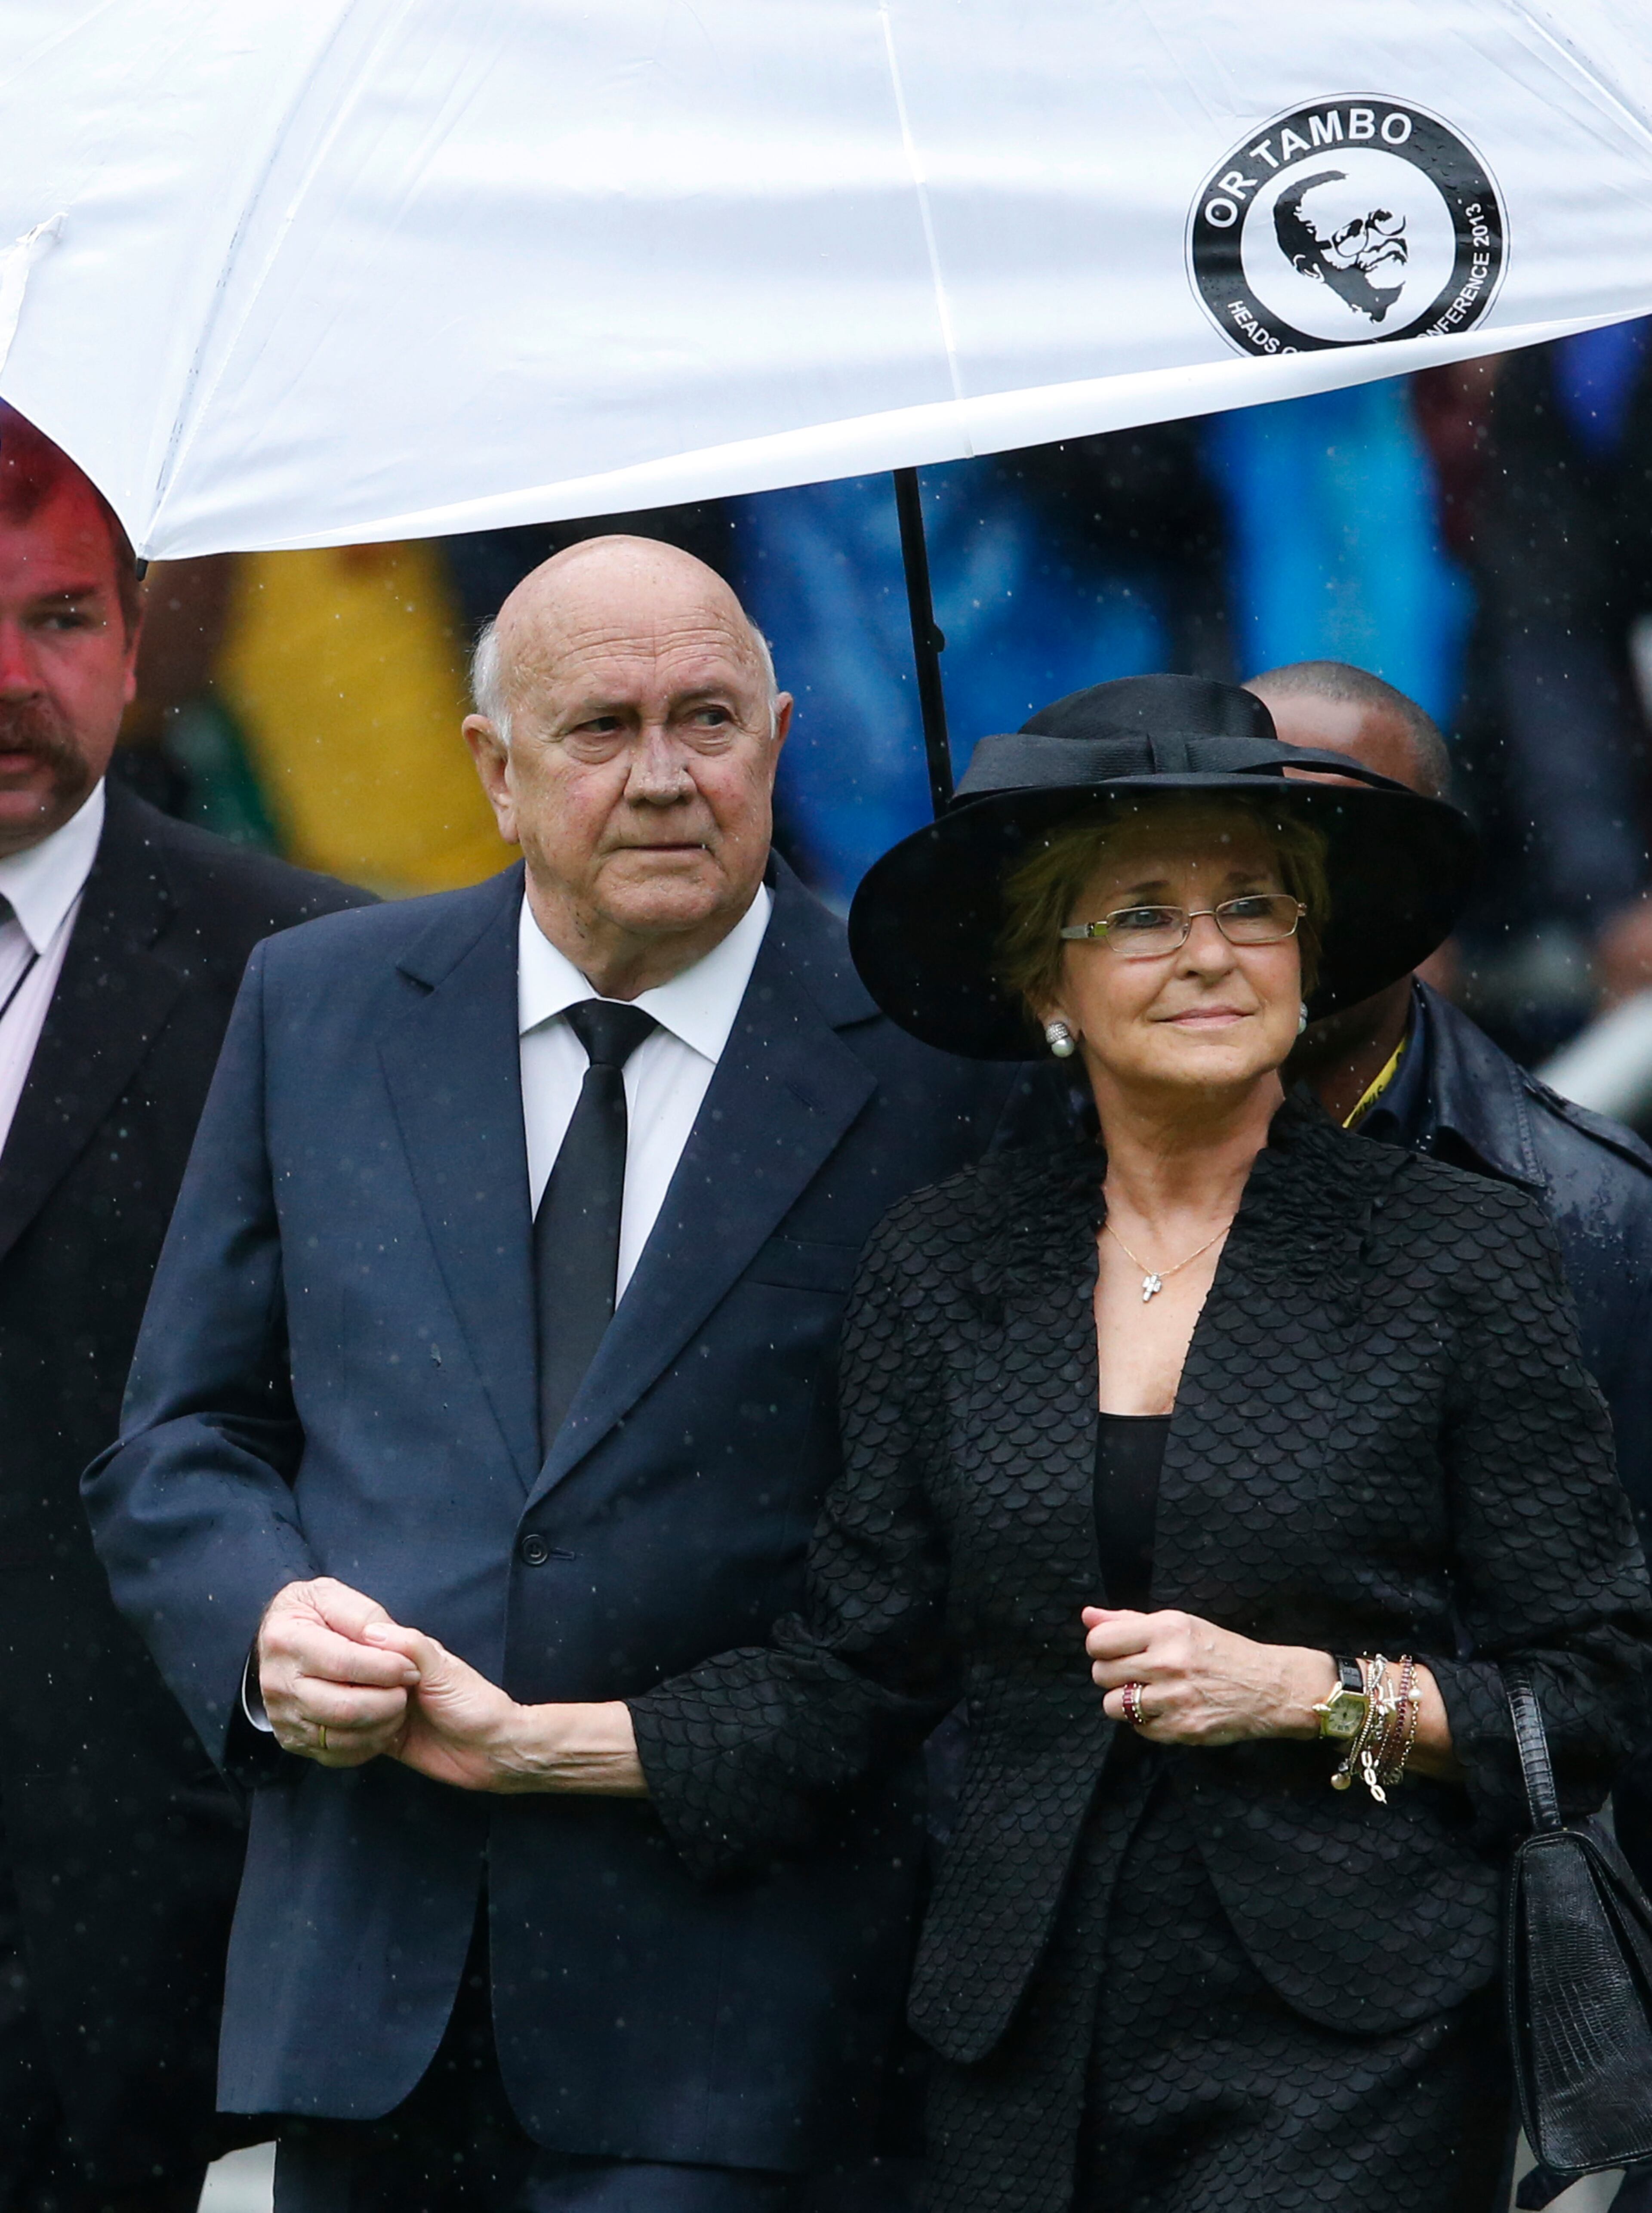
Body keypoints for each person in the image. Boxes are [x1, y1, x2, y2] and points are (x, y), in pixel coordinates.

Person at [280, 672, 1652, 2213]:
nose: (1208, 951)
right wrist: (533, 1746)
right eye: (1141, 915)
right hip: (1014, 2031)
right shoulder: (950, 1263)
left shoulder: (1460, 1253)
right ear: (1048, 986)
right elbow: (852, 1678)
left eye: (1253, 905)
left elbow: (1592, 1687)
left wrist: (1302, 1696)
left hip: (1356, 2042)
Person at [85, 536, 1056, 2212]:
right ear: (497, 767)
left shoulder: (935, 1059)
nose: (669, 776)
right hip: (368, 1970)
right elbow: (184, 1432)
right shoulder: (319, 1002)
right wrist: (259, 1623)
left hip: (743, 1990)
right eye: (605, 726)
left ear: (782, 732)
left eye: (712, 720)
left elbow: (971, 1550)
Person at [0, 407, 367, 2213]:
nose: (11, 675)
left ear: (141, 636)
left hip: (172, 1915)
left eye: (62, 619)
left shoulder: (317, 974)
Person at [1248, 656, 1652, 1893]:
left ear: (1438, 882)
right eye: (1251, 837)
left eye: (1345, 840)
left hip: (1450, 1942)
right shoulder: (1037, 1177)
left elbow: (1609, 1687)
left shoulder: (1593, 1218)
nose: (1290, 890)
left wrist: (1318, 1707)